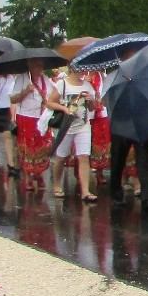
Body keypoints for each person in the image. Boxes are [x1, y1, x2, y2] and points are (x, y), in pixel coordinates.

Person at [108, 48, 148, 210]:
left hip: (140, 123)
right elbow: (110, 100)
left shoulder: (144, 76)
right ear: (123, 59)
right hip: (121, 124)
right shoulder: (114, 76)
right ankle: (116, 194)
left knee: (143, 160)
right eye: (130, 57)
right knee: (118, 160)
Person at [47, 66, 98, 201]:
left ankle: (85, 191)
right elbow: (49, 102)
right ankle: (57, 184)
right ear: (72, 69)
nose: (82, 72)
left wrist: (91, 100)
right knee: (62, 157)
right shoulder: (62, 84)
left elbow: (92, 108)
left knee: (83, 156)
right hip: (66, 125)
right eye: (79, 68)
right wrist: (63, 108)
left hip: (83, 125)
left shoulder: (87, 85)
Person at [10, 58, 54, 191]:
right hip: (26, 117)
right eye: (37, 65)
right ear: (30, 65)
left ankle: (38, 173)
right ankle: (28, 176)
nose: (40, 68)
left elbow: (53, 95)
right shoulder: (22, 79)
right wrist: (26, 91)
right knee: (28, 147)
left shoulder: (45, 79)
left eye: (41, 65)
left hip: (42, 117)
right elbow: (13, 99)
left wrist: (48, 101)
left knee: (43, 145)